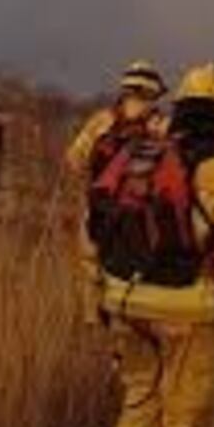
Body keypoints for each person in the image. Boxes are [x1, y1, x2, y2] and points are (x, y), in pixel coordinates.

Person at [93, 63, 214, 427]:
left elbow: (96, 223)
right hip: (184, 309)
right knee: (186, 411)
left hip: (122, 300)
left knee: (140, 397)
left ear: (180, 109)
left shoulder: (139, 155)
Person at [65, 60, 169, 327]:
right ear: (155, 93)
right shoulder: (162, 126)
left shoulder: (101, 121)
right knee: (136, 271)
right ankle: (131, 328)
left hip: (98, 208)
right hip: (141, 214)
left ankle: (94, 324)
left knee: (92, 267)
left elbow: (74, 160)